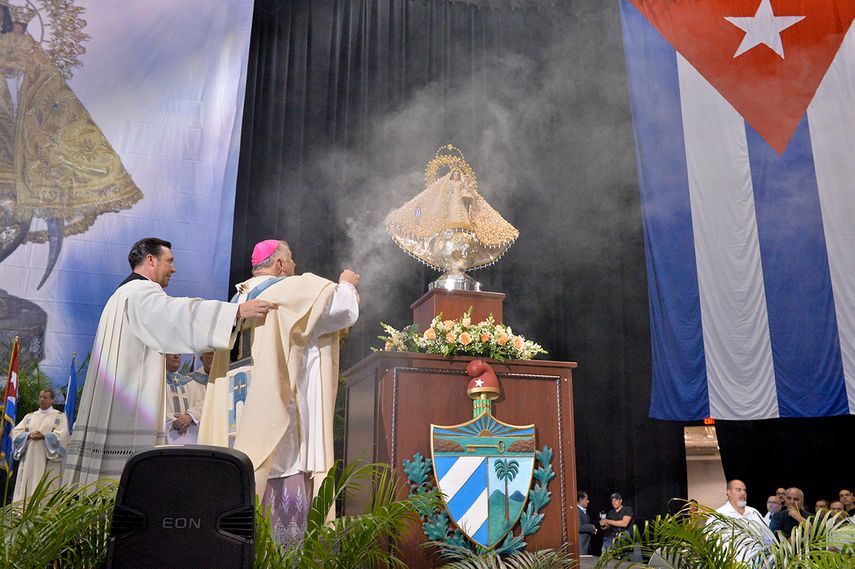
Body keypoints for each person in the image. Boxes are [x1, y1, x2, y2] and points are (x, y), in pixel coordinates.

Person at [63, 238, 275, 485]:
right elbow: (176, 314)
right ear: (151, 260)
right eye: (170, 261)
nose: (173, 268)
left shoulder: (119, 296)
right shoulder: (140, 292)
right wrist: (235, 312)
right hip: (129, 408)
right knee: (130, 485)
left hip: (115, 400)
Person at [199, 239, 359, 545]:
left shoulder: (235, 303)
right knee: (281, 489)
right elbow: (341, 309)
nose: (295, 265)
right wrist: (347, 283)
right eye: (291, 258)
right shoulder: (284, 291)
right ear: (280, 264)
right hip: (274, 415)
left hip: (236, 416)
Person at [11, 388, 68, 501]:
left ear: (52, 400)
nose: (42, 400)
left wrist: (44, 436)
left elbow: (63, 435)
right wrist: (28, 435)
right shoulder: (29, 417)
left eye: (45, 397)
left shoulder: (59, 416)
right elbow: (16, 433)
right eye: (41, 397)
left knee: (44, 492)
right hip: (28, 461)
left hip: (47, 461)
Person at [708, 480, 771, 561]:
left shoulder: (754, 513)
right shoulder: (718, 516)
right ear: (729, 492)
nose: (743, 493)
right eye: (738, 490)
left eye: (744, 490)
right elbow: (712, 546)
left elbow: (768, 539)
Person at [163, 354, 205, 445]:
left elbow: (202, 404)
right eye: (172, 353)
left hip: (190, 438)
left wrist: (189, 416)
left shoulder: (191, 383)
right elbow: (155, 408)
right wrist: (173, 422)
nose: (176, 356)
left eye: (178, 354)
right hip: (166, 438)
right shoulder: (157, 382)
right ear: (163, 356)